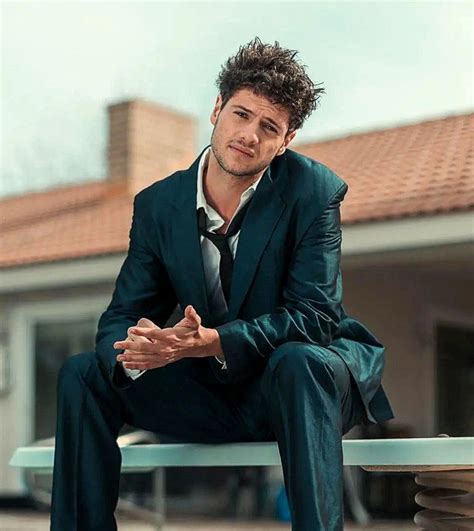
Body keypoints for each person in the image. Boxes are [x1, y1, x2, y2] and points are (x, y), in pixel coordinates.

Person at [50, 37, 394, 531]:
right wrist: (140, 349)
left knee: (298, 361)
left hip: (299, 387)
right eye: (241, 114)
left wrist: (213, 341)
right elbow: (121, 315)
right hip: (216, 392)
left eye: (268, 127)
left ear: (287, 140)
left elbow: (316, 317)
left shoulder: (313, 192)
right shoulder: (158, 206)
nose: (249, 135)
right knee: (84, 373)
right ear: (217, 109)